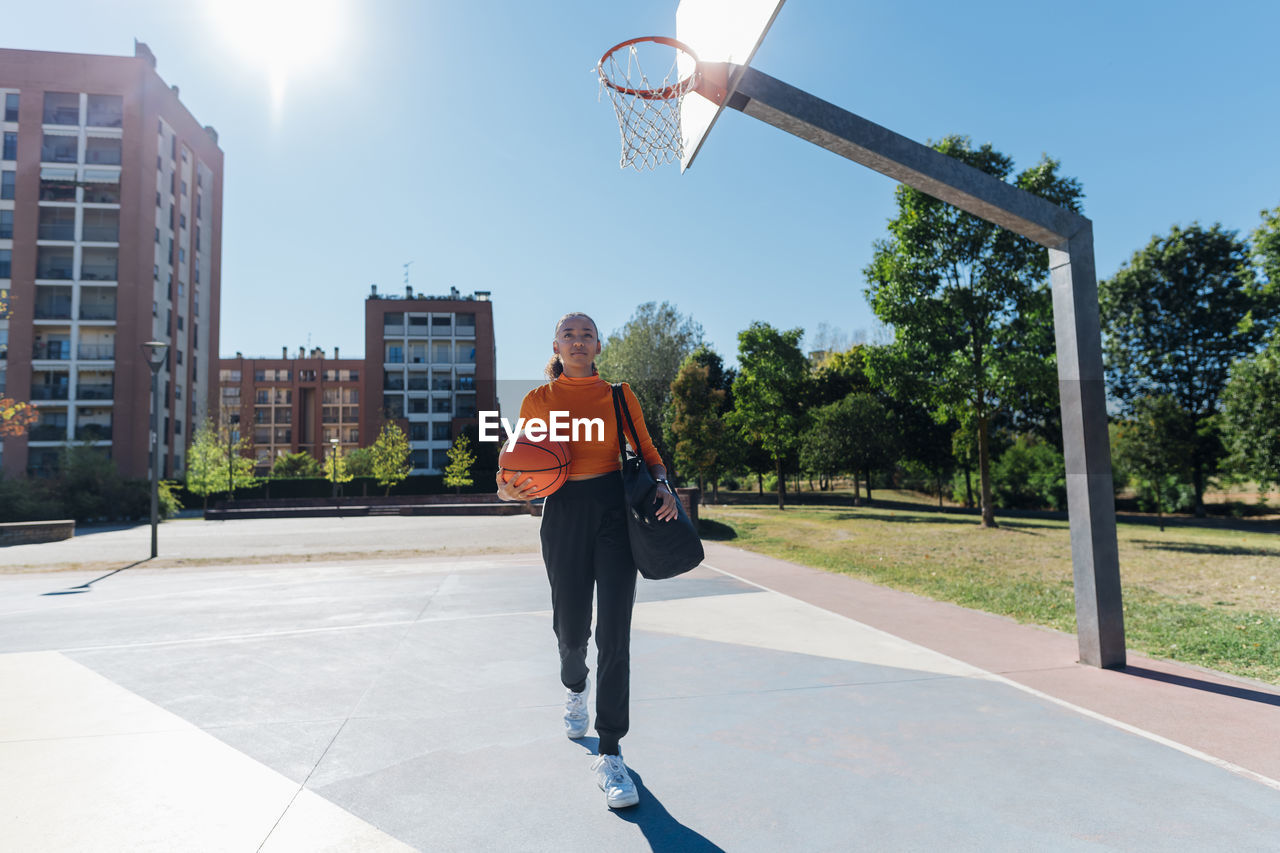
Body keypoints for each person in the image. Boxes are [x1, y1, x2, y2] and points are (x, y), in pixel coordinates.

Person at [497, 312, 678, 810]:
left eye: (586, 335)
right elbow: (517, 463)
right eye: (569, 335)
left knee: (615, 632)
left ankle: (611, 750)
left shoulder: (620, 395)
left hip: (614, 513)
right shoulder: (538, 400)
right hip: (563, 514)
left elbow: (647, 450)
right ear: (555, 346)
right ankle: (573, 687)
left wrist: (662, 484)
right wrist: (508, 489)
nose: (578, 341)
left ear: (598, 346)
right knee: (572, 630)